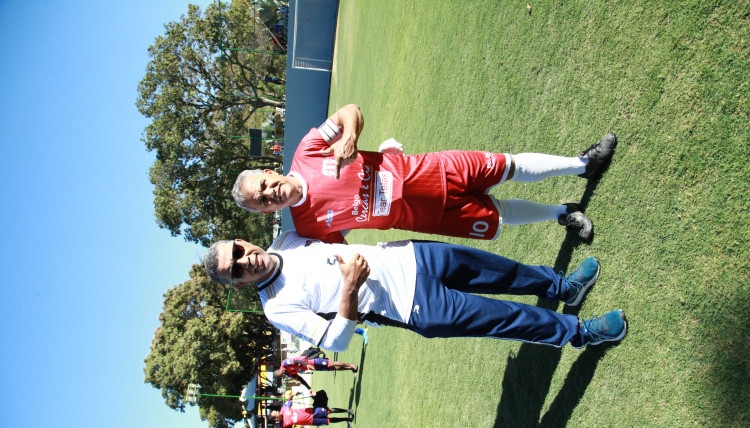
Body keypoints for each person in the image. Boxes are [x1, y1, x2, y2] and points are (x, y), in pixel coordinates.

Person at [232, 104, 617, 243]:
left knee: (507, 166)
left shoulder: (307, 150)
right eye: (262, 201)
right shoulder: (308, 227)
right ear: (267, 211)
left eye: (264, 185)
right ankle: (562, 214)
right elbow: (345, 242)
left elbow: (350, 111)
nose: (270, 194)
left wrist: (350, 138)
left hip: (432, 169)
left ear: (268, 171)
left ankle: (583, 165)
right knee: (498, 216)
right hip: (428, 217)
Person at [203, 232, 628, 352]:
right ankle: (581, 333)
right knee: (504, 317)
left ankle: (562, 287)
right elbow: (336, 342)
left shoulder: (288, 237)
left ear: (241, 240)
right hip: (414, 306)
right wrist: (349, 287)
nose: (245, 261)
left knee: (503, 271)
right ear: (238, 284)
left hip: (412, 255)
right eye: (235, 270)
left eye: (237, 252)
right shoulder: (276, 307)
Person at [271, 392, 353, 428]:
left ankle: (347, 411)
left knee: (329, 411)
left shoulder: (284, 408)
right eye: (276, 413)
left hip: (311, 412)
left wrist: (293, 394)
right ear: (275, 419)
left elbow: (290, 400)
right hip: (312, 421)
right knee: (329, 420)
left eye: (276, 411)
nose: (277, 412)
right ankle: (347, 419)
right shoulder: (283, 425)